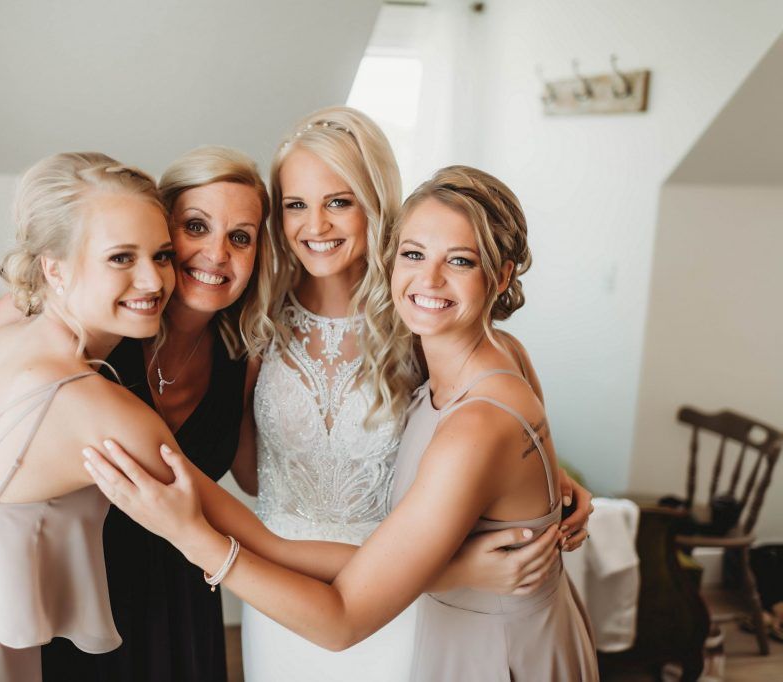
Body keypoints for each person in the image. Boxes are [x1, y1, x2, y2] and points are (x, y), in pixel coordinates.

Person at [0, 152, 352, 681]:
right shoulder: (94, 394)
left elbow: (251, 476)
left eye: (159, 256)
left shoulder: (12, 350)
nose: (151, 280)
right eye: (122, 257)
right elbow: (269, 547)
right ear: (53, 270)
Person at [84, 164, 600, 682]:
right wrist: (538, 488)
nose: (430, 279)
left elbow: (344, 620)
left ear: (502, 275)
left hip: (476, 643)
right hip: (371, 595)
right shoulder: (472, 361)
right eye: (415, 255)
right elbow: (265, 507)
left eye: (459, 261)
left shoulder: (475, 402)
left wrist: (190, 532)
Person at [232, 106, 592, 681]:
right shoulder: (255, 319)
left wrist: (563, 490)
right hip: (280, 597)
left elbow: (508, 441)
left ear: (375, 203)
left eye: (339, 201)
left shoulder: (421, 319)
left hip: (400, 597)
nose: (316, 225)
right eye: (296, 204)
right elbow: (251, 473)